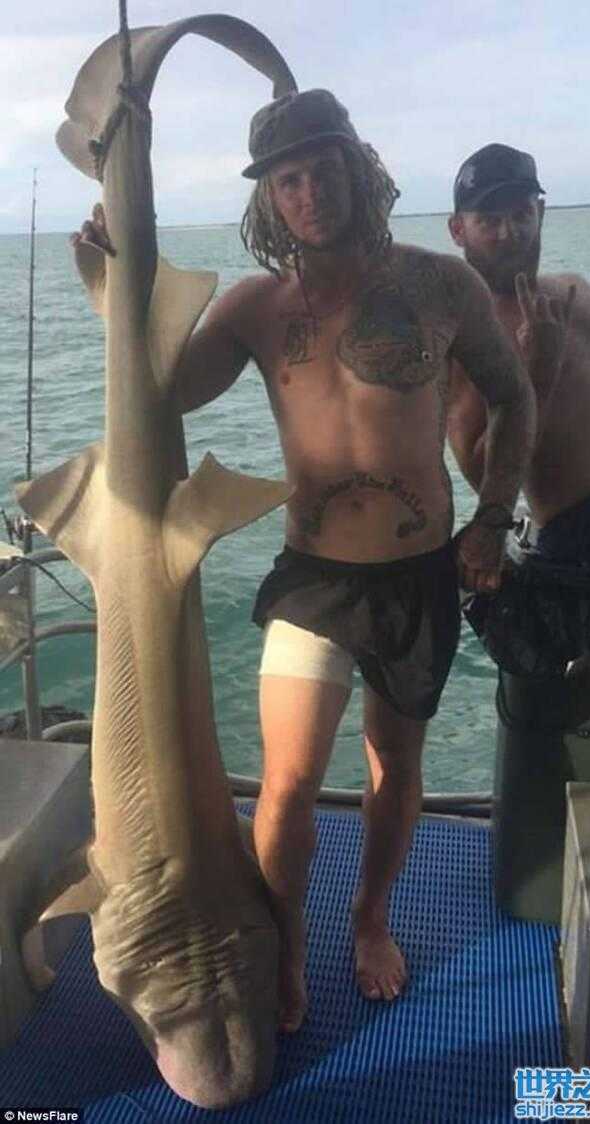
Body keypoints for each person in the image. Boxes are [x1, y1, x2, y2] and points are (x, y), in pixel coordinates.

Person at [72, 91, 535, 1032]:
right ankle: (285, 945)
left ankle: (370, 920)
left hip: (418, 575)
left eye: (324, 170)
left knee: (393, 766)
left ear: (358, 171)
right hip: (314, 577)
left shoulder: (443, 284)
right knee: (285, 785)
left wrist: (492, 518)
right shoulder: (255, 307)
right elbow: (162, 396)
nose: (310, 191)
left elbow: (514, 399)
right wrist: (114, 286)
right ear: (271, 199)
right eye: (289, 180)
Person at [446, 143, 590, 567]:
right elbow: (483, 479)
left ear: (541, 213)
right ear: (458, 230)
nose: (509, 233)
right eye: (489, 220)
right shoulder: (465, 338)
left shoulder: (578, 290)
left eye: (521, 214)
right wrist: (537, 372)